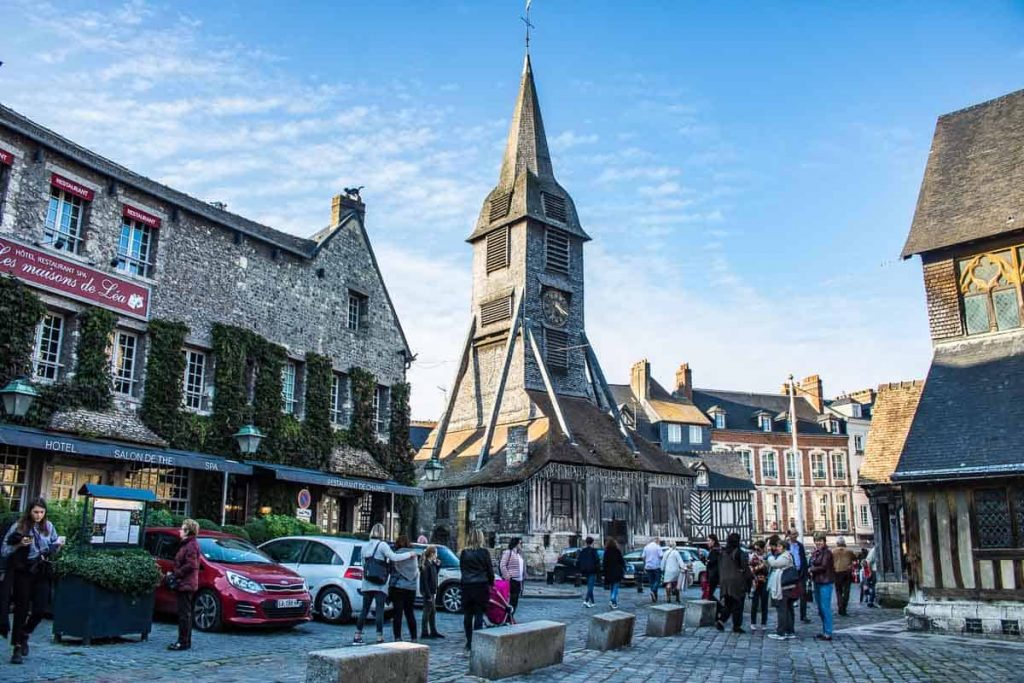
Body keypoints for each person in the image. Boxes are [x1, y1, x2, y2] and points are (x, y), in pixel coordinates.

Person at [2, 497, 63, 664]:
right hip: (24, 571)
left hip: (41, 570)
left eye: (42, 512)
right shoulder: (19, 526)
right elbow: (5, 550)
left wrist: (57, 546)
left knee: (40, 609)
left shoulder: (48, 527)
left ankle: (25, 634)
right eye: (35, 512)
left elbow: (54, 543)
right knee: (21, 609)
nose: (38, 515)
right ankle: (17, 647)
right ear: (29, 511)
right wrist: (19, 544)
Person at [353, 523, 416, 645]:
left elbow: (363, 564)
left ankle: (357, 635)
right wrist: (410, 554)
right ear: (382, 533)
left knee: (364, 610)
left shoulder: (365, 546)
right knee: (379, 610)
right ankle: (379, 637)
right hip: (379, 583)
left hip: (366, 582)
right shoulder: (382, 545)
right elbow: (394, 557)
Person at [167, 518, 200, 651]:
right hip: (186, 582)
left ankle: (183, 641)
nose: (180, 530)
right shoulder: (188, 544)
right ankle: (185, 640)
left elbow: (191, 565)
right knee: (184, 613)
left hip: (186, 583)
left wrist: (176, 574)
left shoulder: (191, 545)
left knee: (184, 614)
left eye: (182, 528)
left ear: (187, 531)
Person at [459, 529, 494, 652]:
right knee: (479, 614)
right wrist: (491, 582)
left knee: (468, 615)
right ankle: (476, 640)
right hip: (481, 585)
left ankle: (469, 641)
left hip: (467, 586)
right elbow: (490, 570)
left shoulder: (464, 552)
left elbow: (462, 569)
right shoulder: (484, 552)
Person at [716, 532, 751, 633]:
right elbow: (745, 568)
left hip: (725, 582)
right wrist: (749, 581)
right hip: (737, 582)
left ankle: (721, 621)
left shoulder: (723, 553)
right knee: (738, 604)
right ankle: (736, 625)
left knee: (728, 603)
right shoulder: (739, 552)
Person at [766, 534, 797, 641]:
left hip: (784, 587)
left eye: (779, 547)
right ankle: (789, 630)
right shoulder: (786, 555)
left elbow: (774, 564)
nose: (777, 548)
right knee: (788, 609)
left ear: (783, 548)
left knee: (782, 609)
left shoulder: (785, 556)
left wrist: (769, 554)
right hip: (786, 586)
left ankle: (781, 632)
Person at [389, 535, 419, 642]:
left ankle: (397, 637)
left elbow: (393, 573)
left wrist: (390, 588)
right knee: (410, 613)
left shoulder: (396, 555)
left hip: (399, 587)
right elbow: (415, 572)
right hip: (411, 588)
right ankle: (414, 637)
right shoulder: (414, 555)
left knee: (397, 613)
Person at [808, 531, 835, 641]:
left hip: (825, 582)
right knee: (820, 608)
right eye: (816, 541)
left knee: (825, 607)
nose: (818, 542)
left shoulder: (827, 553)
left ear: (824, 541)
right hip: (818, 581)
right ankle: (825, 630)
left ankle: (828, 632)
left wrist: (811, 569)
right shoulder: (816, 552)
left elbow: (823, 566)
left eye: (820, 540)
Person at [419, 545, 443, 639]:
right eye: (436, 553)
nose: (437, 555)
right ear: (432, 554)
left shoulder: (431, 564)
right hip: (428, 592)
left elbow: (435, 574)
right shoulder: (426, 564)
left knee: (432, 611)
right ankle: (424, 632)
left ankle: (433, 631)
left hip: (432, 591)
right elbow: (425, 581)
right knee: (427, 611)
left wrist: (438, 565)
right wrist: (428, 594)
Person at [787, 529, 810, 623]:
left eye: (796, 534)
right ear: (789, 535)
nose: (795, 536)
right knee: (790, 594)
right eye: (793, 534)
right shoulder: (786, 545)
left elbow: (803, 559)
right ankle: (789, 614)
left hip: (800, 572)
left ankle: (803, 615)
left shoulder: (800, 545)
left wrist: (805, 572)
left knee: (803, 594)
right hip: (790, 572)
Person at [831, 536, 857, 616]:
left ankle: (840, 606)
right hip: (847, 572)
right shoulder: (849, 551)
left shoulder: (833, 551)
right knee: (846, 590)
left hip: (837, 572)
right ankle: (844, 607)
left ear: (837, 543)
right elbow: (855, 559)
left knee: (838, 591)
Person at [499, 537, 525, 612]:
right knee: (511, 601)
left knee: (515, 601)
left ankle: (510, 618)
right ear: (516, 544)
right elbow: (502, 565)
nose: (521, 545)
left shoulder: (519, 554)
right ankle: (507, 618)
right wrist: (507, 576)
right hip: (512, 580)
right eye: (520, 543)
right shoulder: (508, 552)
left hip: (518, 581)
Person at [749, 540, 770, 631]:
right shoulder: (753, 558)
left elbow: (769, 570)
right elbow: (751, 570)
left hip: (765, 582)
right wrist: (760, 566)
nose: (756, 551)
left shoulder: (767, 558)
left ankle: (764, 623)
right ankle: (753, 622)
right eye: (755, 549)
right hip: (755, 583)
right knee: (755, 603)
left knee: (764, 603)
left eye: (758, 549)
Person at [602, 538, 626, 609]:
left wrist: (604, 572)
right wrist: (623, 568)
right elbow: (621, 561)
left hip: (609, 572)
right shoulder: (617, 551)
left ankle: (614, 602)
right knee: (615, 586)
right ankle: (612, 599)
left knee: (612, 586)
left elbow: (604, 563)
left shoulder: (606, 552)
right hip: (617, 571)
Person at [577, 536, 600, 608]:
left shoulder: (583, 551)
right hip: (592, 570)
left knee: (589, 586)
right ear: (592, 542)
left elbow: (579, 560)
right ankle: (586, 600)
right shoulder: (593, 551)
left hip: (585, 570)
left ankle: (592, 602)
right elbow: (597, 560)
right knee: (591, 586)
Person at [642, 536, 663, 603]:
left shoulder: (646, 547)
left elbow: (643, 557)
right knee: (657, 580)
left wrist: (645, 564)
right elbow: (661, 556)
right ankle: (653, 591)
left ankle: (654, 598)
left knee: (651, 581)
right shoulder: (658, 547)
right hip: (656, 566)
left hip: (648, 566)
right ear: (657, 541)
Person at [863, 543, 878, 608]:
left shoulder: (875, 550)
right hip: (874, 570)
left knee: (872, 586)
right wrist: (869, 572)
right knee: (873, 586)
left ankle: (870, 600)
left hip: (875, 570)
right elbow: (868, 562)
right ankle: (870, 601)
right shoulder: (874, 550)